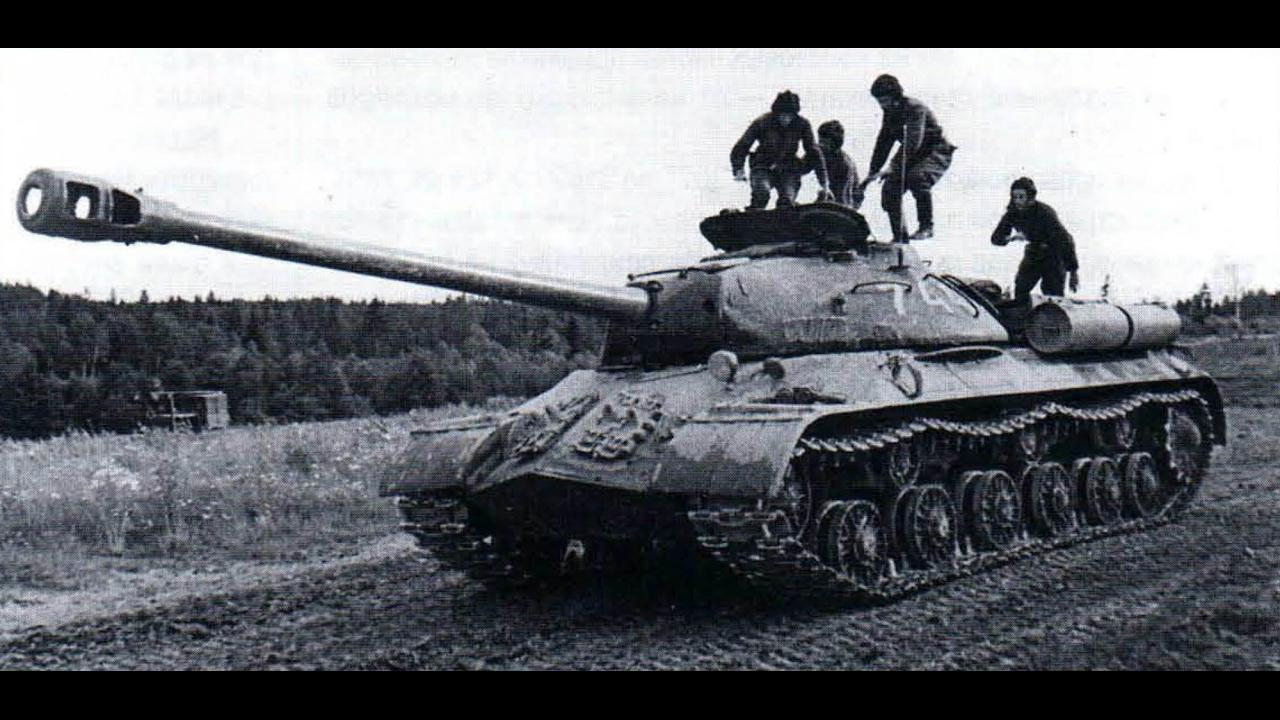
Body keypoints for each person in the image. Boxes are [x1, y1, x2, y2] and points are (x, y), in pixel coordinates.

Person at [861, 74, 957, 240]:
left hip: (936, 151)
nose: (882, 106)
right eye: (879, 102)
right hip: (913, 155)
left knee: (917, 177)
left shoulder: (915, 108)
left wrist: (892, 166)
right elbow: (884, 142)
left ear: (895, 97)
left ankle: (926, 226)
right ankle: (900, 237)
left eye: (885, 101)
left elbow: (913, 141)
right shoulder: (890, 112)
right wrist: (872, 172)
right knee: (890, 188)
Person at [731, 91, 832, 210]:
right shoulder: (762, 122)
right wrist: (738, 169)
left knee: (787, 200)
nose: (785, 119)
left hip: (788, 169)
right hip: (763, 166)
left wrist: (824, 183)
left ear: (794, 115)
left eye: (789, 115)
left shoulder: (802, 124)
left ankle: (786, 213)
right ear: (776, 113)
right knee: (762, 193)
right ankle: (754, 212)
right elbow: (742, 146)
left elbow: (814, 152)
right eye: (782, 115)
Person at [991, 177, 1080, 303]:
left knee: (1053, 294)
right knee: (1021, 288)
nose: (1018, 201)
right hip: (1034, 253)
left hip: (1054, 255)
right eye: (1015, 197)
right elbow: (996, 238)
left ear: (1030, 197)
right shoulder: (1012, 213)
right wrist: (1009, 239)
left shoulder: (1045, 213)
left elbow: (1066, 240)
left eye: (1021, 197)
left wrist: (1073, 272)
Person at [812, 120, 864, 209]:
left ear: (834, 143)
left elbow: (841, 198)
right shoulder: (819, 153)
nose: (820, 145)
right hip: (837, 199)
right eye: (820, 141)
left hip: (844, 202)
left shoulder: (843, 164)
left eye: (824, 142)